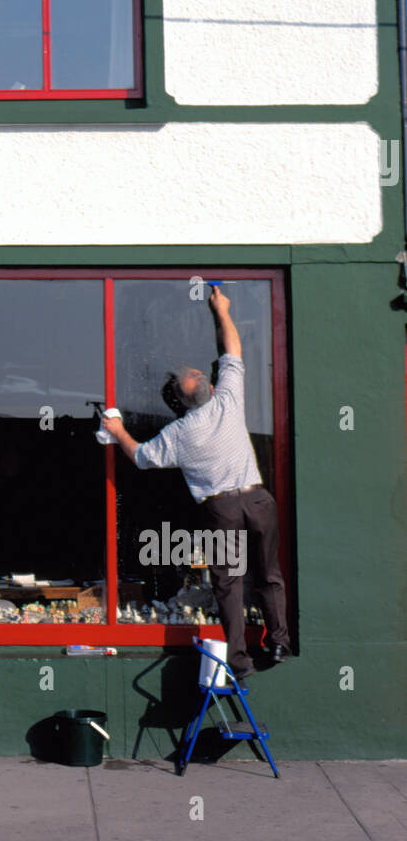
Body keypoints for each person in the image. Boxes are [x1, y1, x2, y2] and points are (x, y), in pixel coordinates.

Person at [100, 287, 291, 682]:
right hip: (256, 500)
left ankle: (239, 659)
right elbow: (232, 350)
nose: (203, 372)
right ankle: (278, 641)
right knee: (268, 573)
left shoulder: (179, 432)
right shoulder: (227, 401)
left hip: (222, 509)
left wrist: (117, 430)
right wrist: (221, 311)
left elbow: (139, 457)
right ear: (200, 391)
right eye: (198, 374)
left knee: (229, 584)